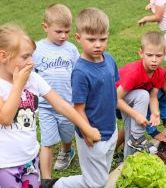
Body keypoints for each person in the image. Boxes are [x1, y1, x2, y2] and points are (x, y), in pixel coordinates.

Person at [0, 24, 100, 188]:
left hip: (31, 158)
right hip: (5, 165)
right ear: (3, 56)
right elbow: (5, 118)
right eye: (25, 57)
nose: (31, 62)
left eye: (32, 56)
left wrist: (86, 128)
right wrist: (18, 85)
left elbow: (61, 105)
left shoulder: (33, 79)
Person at [53, 8, 119, 188]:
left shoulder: (110, 60)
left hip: (110, 129)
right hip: (92, 133)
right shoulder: (81, 72)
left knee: (102, 173)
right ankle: (59, 185)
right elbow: (79, 108)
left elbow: (113, 92)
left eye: (102, 39)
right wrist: (88, 132)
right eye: (91, 39)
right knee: (96, 183)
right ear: (78, 38)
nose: (98, 44)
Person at [32, 4, 80, 180]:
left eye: (67, 31)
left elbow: (77, 75)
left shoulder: (71, 49)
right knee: (47, 142)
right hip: (46, 107)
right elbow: (30, 77)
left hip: (68, 105)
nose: (64, 36)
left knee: (67, 135)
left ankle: (67, 150)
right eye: (59, 31)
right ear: (45, 27)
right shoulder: (36, 50)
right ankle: (46, 180)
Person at [116, 57, 166, 150]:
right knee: (132, 128)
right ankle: (117, 152)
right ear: (164, 75)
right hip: (123, 101)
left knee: (130, 128)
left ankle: (121, 150)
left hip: (133, 104)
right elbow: (146, 113)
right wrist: (154, 132)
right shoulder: (153, 87)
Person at [116, 31, 166, 159]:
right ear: (141, 53)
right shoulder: (134, 72)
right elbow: (115, 99)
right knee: (143, 95)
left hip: (131, 98)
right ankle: (137, 139)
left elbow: (153, 96)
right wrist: (137, 115)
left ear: (164, 54)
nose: (154, 60)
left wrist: (155, 112)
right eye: (149, 55)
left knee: (130, 131)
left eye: (158, 55)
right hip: (111, 98)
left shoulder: (159, 73)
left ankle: (129, 157)